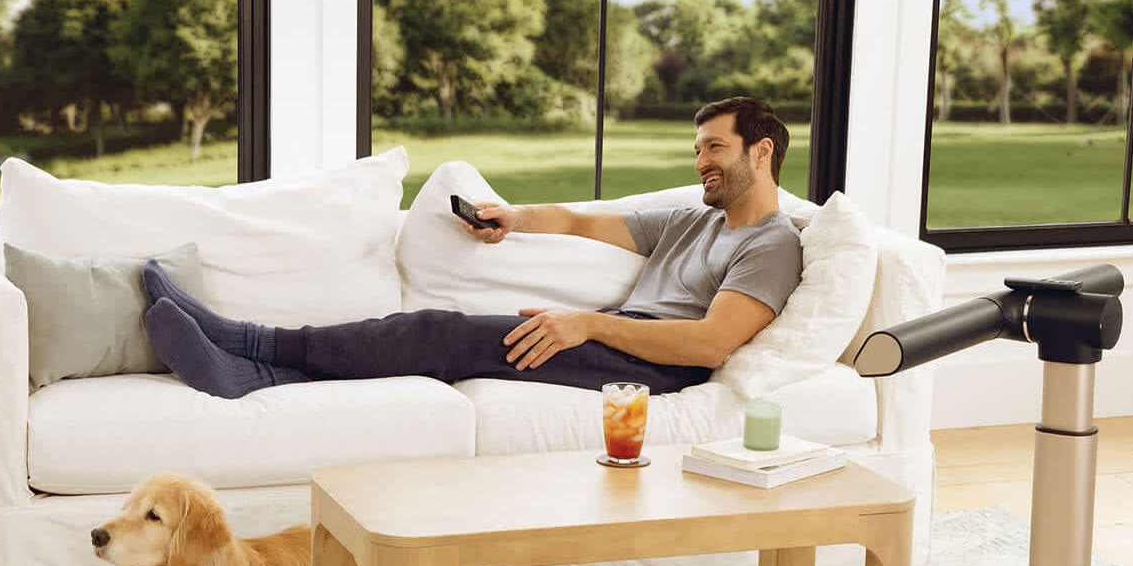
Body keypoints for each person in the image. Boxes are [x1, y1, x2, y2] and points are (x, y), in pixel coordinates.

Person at [141, 96, 802, 400]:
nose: (700, 163)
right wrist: (510, 217)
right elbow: (577, 221)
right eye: (697, 150)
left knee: (441, 334)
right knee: (438, 340)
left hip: (654, 366)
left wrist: (584, 325)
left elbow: (712, 345)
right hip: (613, 337)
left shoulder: (772, 246)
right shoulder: (695, 220)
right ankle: (248, 370)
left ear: (762, 151)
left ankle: (252, 345)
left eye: (714, 147)